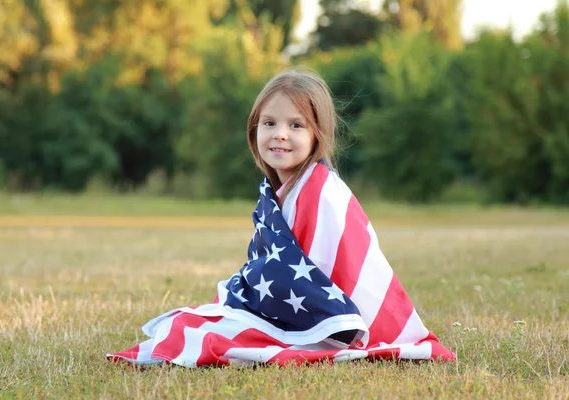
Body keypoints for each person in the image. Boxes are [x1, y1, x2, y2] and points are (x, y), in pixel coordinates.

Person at [107, 68, 456, 367]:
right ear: (254, 130)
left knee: (200, 333)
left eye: (296, 125)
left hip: (323, 318)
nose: (280, 134)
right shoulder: (280, 188)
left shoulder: (319, 190)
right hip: (295, 308)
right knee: (187, 323)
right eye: (269, 123)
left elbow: (320, 270)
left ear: (317, 133)